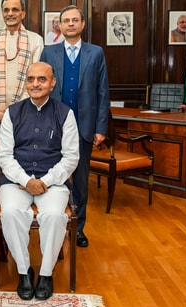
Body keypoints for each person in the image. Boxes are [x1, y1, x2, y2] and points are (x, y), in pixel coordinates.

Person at [0, 62, 79, 301]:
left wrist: (45, 180)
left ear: (52, 83)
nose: (35, 84)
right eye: (31, 79)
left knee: (54, 215)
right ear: (26, 83)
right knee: (10, 213)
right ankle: (24, 272)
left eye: (42, 79)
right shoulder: (12, 113)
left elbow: (71, 156)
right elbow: (4, 155)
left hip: (52, 182)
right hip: (15, 181)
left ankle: (45, 274)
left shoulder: (65, 114)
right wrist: (25, 179)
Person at [40, 5, 110, 248]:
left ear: (82, 25)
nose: (70, 24)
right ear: (59, 25)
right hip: (53, 127)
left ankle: (78, 228)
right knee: (54, 179)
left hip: (83, 128)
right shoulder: (49, 53)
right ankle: (53, 225)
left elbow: (102, 92)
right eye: (65, 20)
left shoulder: (96, 53)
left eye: (74, 20)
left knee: (80, 181)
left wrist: (100, 127)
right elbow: (40, 89)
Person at [0, 0, 43, 175]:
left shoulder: (35, 40)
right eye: (6, 10)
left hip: (25, 114)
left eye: (15, 9)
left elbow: (36, 80)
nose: (10, 13)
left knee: (21, 160)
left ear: (23, 13)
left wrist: (15, 110)